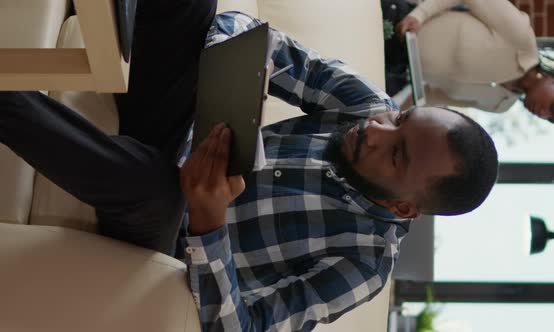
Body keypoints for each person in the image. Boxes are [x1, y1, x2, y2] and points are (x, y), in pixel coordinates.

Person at [0, 3, 499, 332]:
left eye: (396, 153)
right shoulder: (369, 108)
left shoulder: (362, 265)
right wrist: (235, 68)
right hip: (179, 135)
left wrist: (208, 221)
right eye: (401, 118)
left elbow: (240, 327)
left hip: (168, 232)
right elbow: (262, 39)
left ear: (404, 206)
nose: (378, 130)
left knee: (156, 188)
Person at [394, 0, 554, 125]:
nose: (543, 114)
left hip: (395, 71)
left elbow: (428, 96)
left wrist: (395, 113)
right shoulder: (521, 39)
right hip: (398, 22)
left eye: (551, 119)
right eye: (553, 108)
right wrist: (419, 15)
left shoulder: (499, 105)